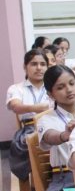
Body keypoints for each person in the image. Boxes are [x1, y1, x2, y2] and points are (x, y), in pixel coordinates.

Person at [7, 49, 52, 182]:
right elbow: (16, 106)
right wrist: (39, 108)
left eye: (43, 64)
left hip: (53, 126)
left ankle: (59, 179)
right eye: (34, 64)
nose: (39, 68)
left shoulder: (53, 87)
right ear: (25, 66)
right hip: (30, 128)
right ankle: (38, 184)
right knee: (27, 143)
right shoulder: (17, 88)